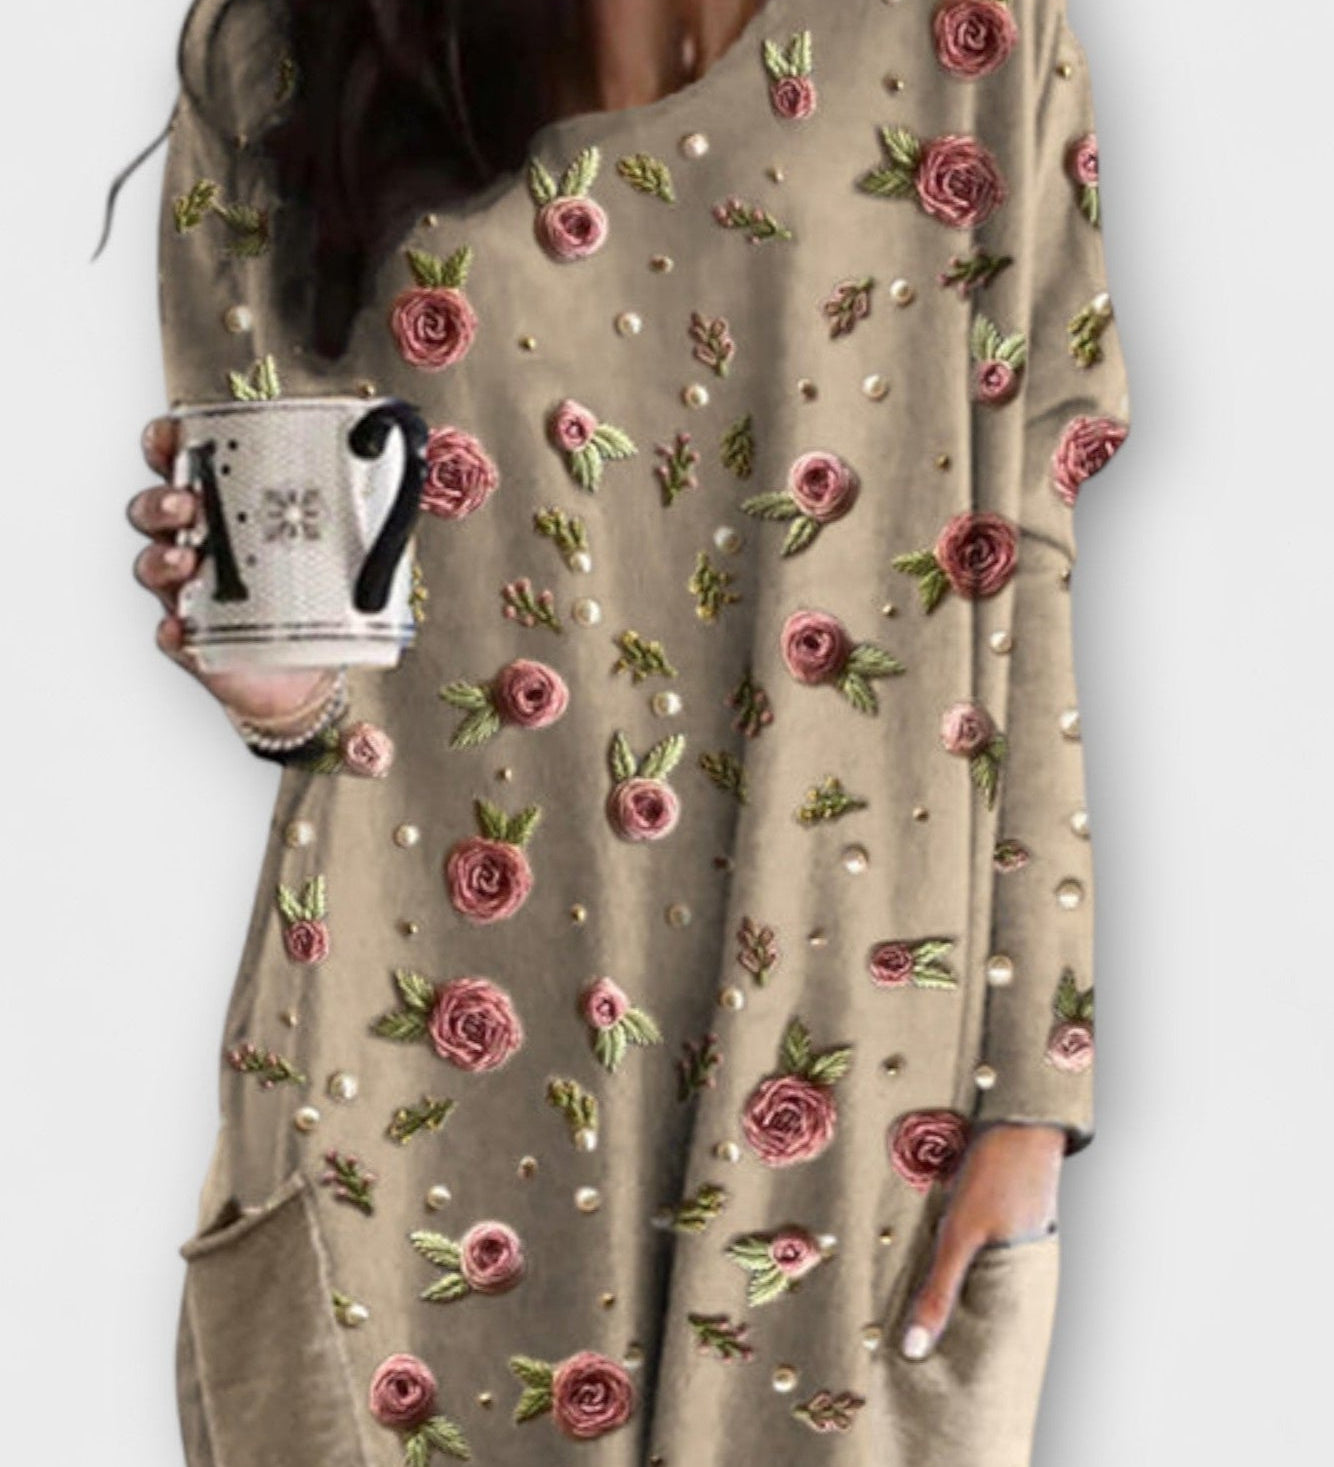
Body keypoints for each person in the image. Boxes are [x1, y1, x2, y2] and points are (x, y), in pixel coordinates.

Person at [121, 1, 1132, 1462]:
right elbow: (285, 562)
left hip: (845, 1057)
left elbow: (1024, 543)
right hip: (417, 1073)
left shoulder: (970, 34)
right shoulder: (291, 43)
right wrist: (280, 693)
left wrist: (1033, 1090)